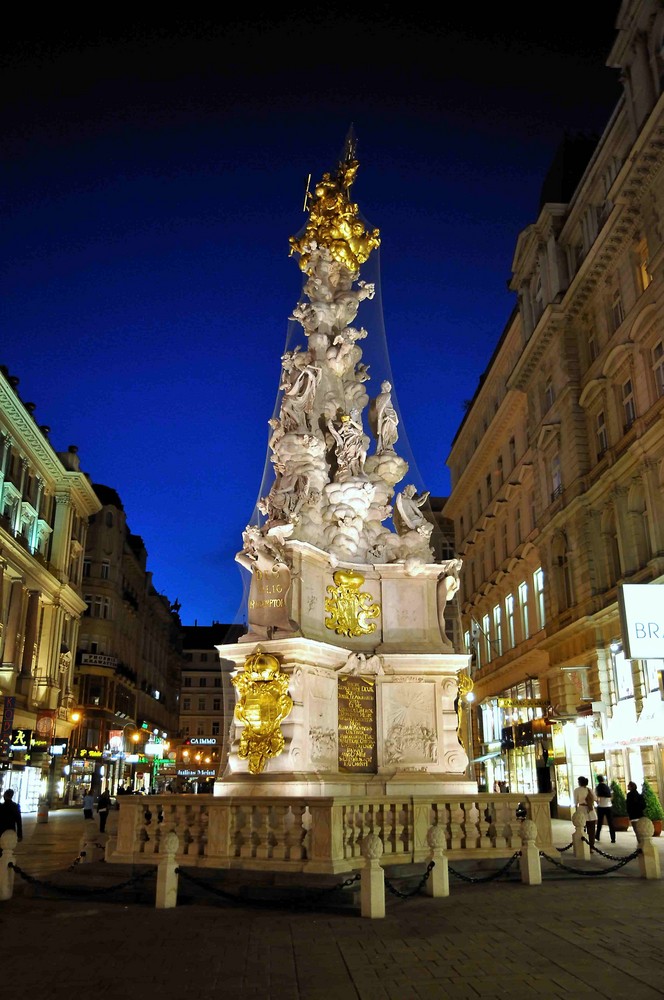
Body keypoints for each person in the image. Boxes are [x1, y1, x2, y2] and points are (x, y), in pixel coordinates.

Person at [573, 776, 597, 849]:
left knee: (581, 829)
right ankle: (591, 846)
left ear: (579, 782)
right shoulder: (589, 790)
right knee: (591, 831)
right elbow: (595, 798)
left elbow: (575, 801)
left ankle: (583, 846)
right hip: (591, 811)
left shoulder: (577, 790)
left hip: (581, 810)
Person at [594, 774, 616, 843]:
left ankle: (597, 836)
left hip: (601, 806)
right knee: (611, 823)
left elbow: (597, 797)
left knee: (600, 822)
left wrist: (597, 802)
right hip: (609, 806)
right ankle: (613, 838)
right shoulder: (607, 787)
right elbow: (611, 795)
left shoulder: (598, 787)